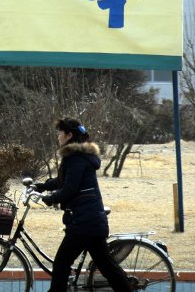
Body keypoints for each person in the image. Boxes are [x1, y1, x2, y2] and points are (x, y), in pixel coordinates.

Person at [34, 118, 132, 292]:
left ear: (69, 135)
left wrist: (52, 199)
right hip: (90, 220)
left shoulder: (76, 158)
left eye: (60, 132)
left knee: (62, 263)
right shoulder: (78, 157)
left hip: (83, 223)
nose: (58, 136)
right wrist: (44, 186)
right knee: (108, 267)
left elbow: (70, 189)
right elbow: (64, 180)